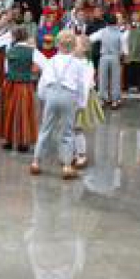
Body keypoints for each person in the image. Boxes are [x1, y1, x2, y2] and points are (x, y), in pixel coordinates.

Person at [31, 31, 87, 180]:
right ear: (73, 45)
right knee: (67, 131)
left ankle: (36, 162)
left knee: (45, 128)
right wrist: (81, 103)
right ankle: (67, 165)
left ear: (57, 44)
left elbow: (43, 82)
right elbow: (81, 85)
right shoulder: (77, 63)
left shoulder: (51, 61)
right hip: (68, 95)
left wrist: (43, 97)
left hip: (51, 94)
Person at [0, 27, 41, 152]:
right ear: (27, 37)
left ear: (14, 37)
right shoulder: (33, 51)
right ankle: (23, 143)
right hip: (25, 85)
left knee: (9, 111)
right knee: (24, 112)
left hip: (10, 84)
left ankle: (9, 141)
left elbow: (6, 69)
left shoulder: (10, 50)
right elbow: (44, 65)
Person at [73, 35, 102, 168]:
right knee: (71, 127)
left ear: (84, 48)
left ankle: (81, 155)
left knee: (77, 127)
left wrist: (81, 103)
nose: (73, 47)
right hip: (73, 97)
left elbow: (85, 85)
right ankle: (74, 152)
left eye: (76, 44)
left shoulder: (87, 64)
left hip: (82, 98)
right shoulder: (73, 61)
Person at [89, 13, 125, 109]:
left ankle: (103, 99)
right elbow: (123, 48)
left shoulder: (102, 31)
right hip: (115, 56)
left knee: (102, 78)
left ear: (106, 22)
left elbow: (91, 38)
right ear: (115, 22)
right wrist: (122, 54)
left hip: (104, 56)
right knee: (115, 79)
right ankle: (115, 100)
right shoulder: (120, 33)